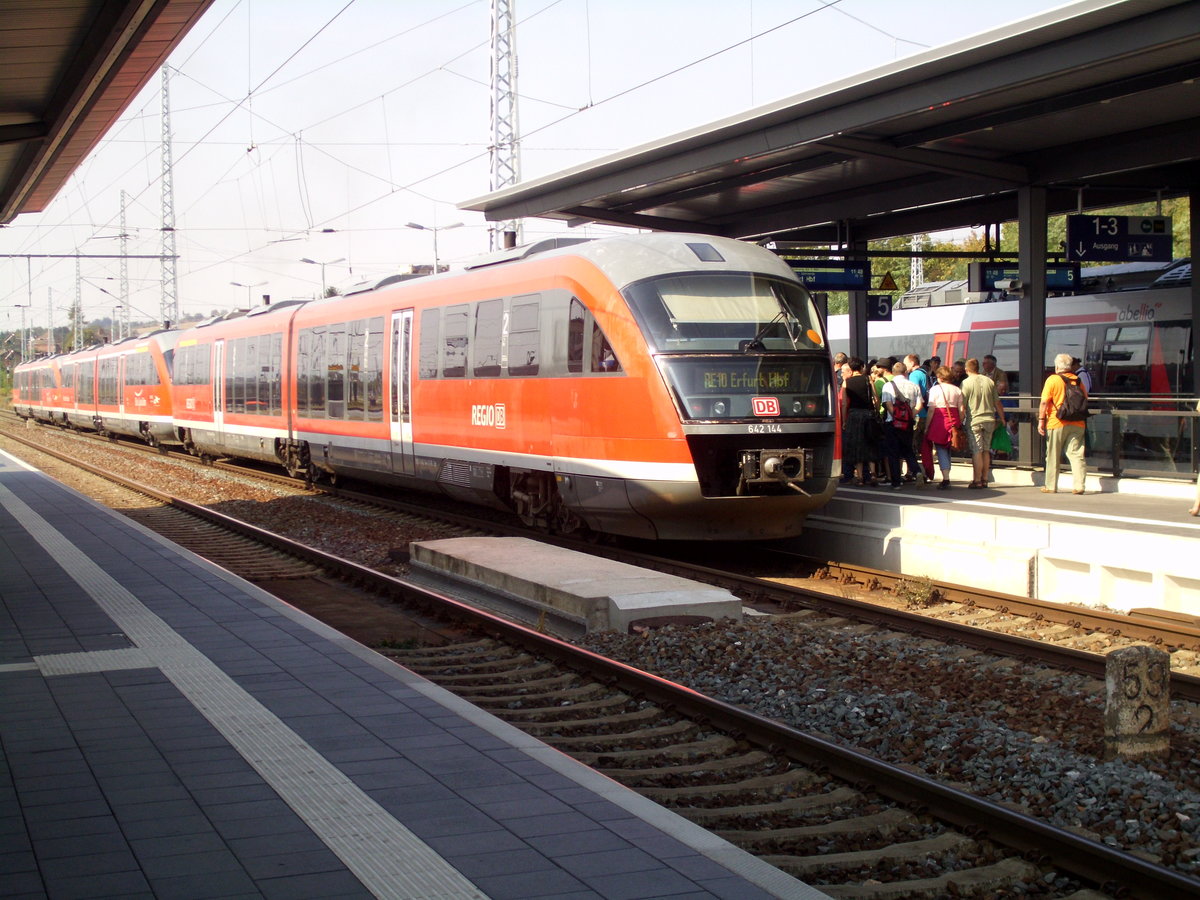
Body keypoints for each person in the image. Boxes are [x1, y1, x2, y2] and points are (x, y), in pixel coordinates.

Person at [1038, 352, 1088, 494]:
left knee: (1053, 455)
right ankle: (1079, 486)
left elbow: (1044, 402)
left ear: (1057, 366)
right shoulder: (1078, 380)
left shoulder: (1052, 380)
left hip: (1057, 422)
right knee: (1076, 454)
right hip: (1078, 422)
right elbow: (1085, 398)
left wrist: (1041, 420)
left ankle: (1051, 486)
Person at [960, 357, 1005, 488]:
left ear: (967, 369)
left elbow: (962, 406)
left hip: (974, 421)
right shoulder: (989, 381)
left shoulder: (966, 383)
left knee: (976, 450)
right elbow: (997, 402)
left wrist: (959, 420)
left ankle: (977, 480)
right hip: (990, 420)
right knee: (986, 450)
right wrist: (1002, 418)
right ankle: (985, 479)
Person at [881, 361, 923, 489]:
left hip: (892, 423)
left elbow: (888, 404)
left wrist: (897, 416)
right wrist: (909, 416)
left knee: (893, 453)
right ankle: (917, 471)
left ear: (893, 373)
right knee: (908, 449)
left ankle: (896, 482)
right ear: (905, 372)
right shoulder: (914, 386)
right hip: (908, 424)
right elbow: (920, 404)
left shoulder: (888, 386)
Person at [839, 357, 880, 486]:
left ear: (851, 369)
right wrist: (876, 411)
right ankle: (873, 474)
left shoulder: (847, 382)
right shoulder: (868, 379)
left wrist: (844, 420)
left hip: (854, 415)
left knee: (857, 446)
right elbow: (876, 398)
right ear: (861, 367)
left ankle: (860, 477)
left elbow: (845, 403)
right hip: (868, 414)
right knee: (870, 443)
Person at [924, 365, 965, 490]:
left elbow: (931, 410)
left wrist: (927, 426)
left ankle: (946, 478)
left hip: (939, 421)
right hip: (954, 420)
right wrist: (959, 422)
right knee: (949, 447)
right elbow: (962, 409)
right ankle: (947, 474)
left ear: (940, 377)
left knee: (941, 448)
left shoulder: (935, 390)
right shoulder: (957, 390)